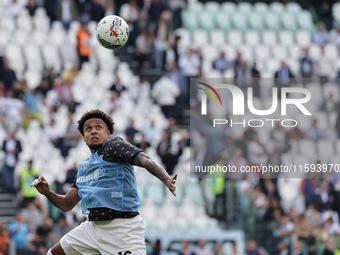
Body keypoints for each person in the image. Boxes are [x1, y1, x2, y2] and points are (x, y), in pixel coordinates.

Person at [31, 109, 177, 255]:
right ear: (83, 137)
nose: (93, 131)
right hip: (92, 228)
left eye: (98, 127)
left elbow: (144, 160)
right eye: (88, 129)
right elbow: (67, 203)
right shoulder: (84, 167)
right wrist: (47, 193)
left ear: (108, 133)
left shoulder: (114, 147)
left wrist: (165, 177)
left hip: (122, 230)